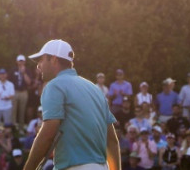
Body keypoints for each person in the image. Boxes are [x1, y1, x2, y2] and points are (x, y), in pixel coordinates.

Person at [22, 39, 121, 170]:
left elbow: (47, 134)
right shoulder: (94, 89)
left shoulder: (54, 86)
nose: (38, 66)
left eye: (41, 60)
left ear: (54, 59)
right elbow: (112, 141)